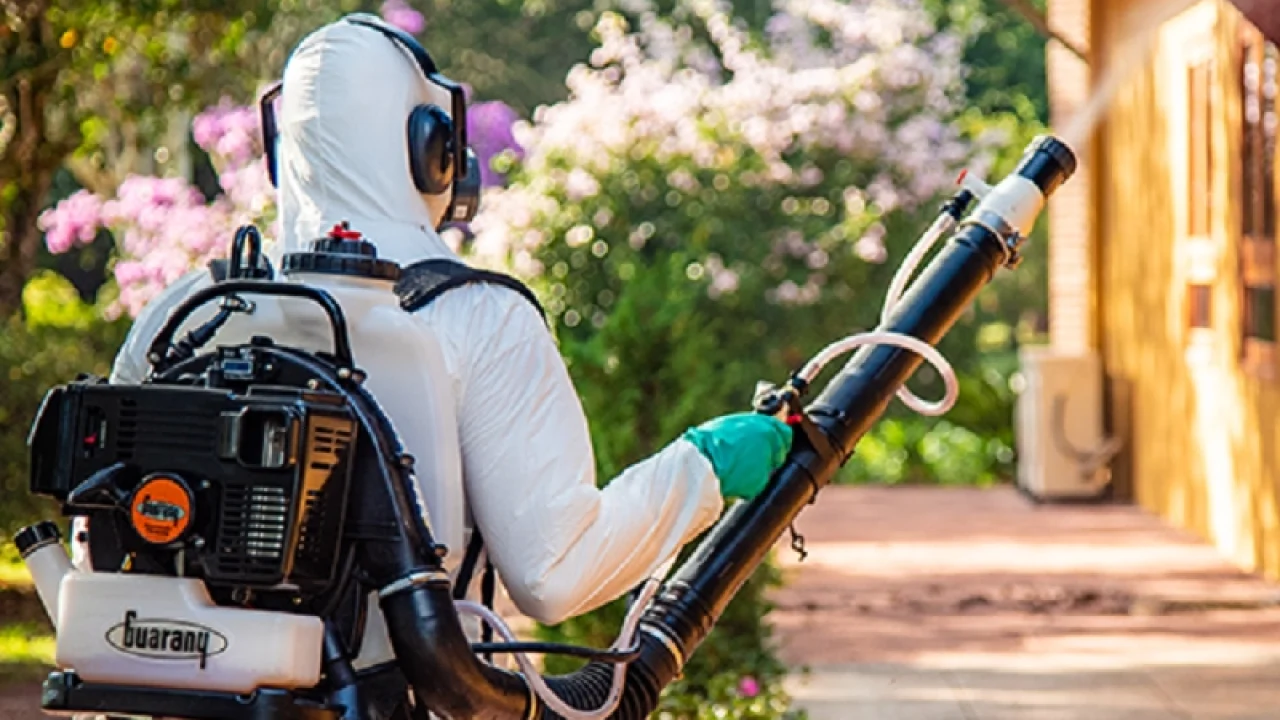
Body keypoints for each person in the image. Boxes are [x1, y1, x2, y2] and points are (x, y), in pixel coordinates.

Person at [102, 14, 792, 663]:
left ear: (285, 154)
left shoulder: (188, 311)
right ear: (432, 151)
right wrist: (703, 466)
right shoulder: (480, 317)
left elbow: (100, 531)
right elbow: (554, 573)